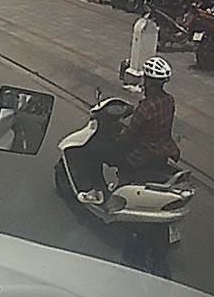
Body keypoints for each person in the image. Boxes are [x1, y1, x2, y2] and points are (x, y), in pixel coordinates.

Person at [77, 56, 179, 205]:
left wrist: (115, 138)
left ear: (149, 82)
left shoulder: (145, 109)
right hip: (162, 151)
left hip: (139, 156)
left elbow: (128, 138)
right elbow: (152, 125)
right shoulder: (169, 100)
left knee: (94, 151)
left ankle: (98, 192)